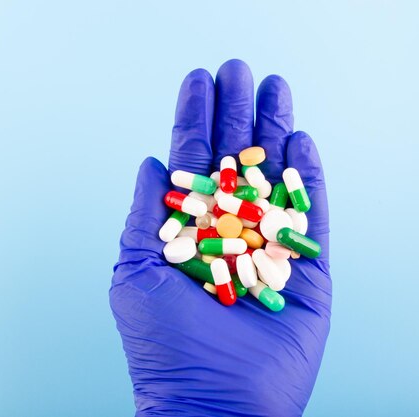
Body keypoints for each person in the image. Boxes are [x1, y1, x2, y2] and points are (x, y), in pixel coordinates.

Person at [109, 59, 331, 417]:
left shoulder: (249, 226)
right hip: (227, 243)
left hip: (239, 247)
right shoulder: (219, 213)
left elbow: (245, 238)